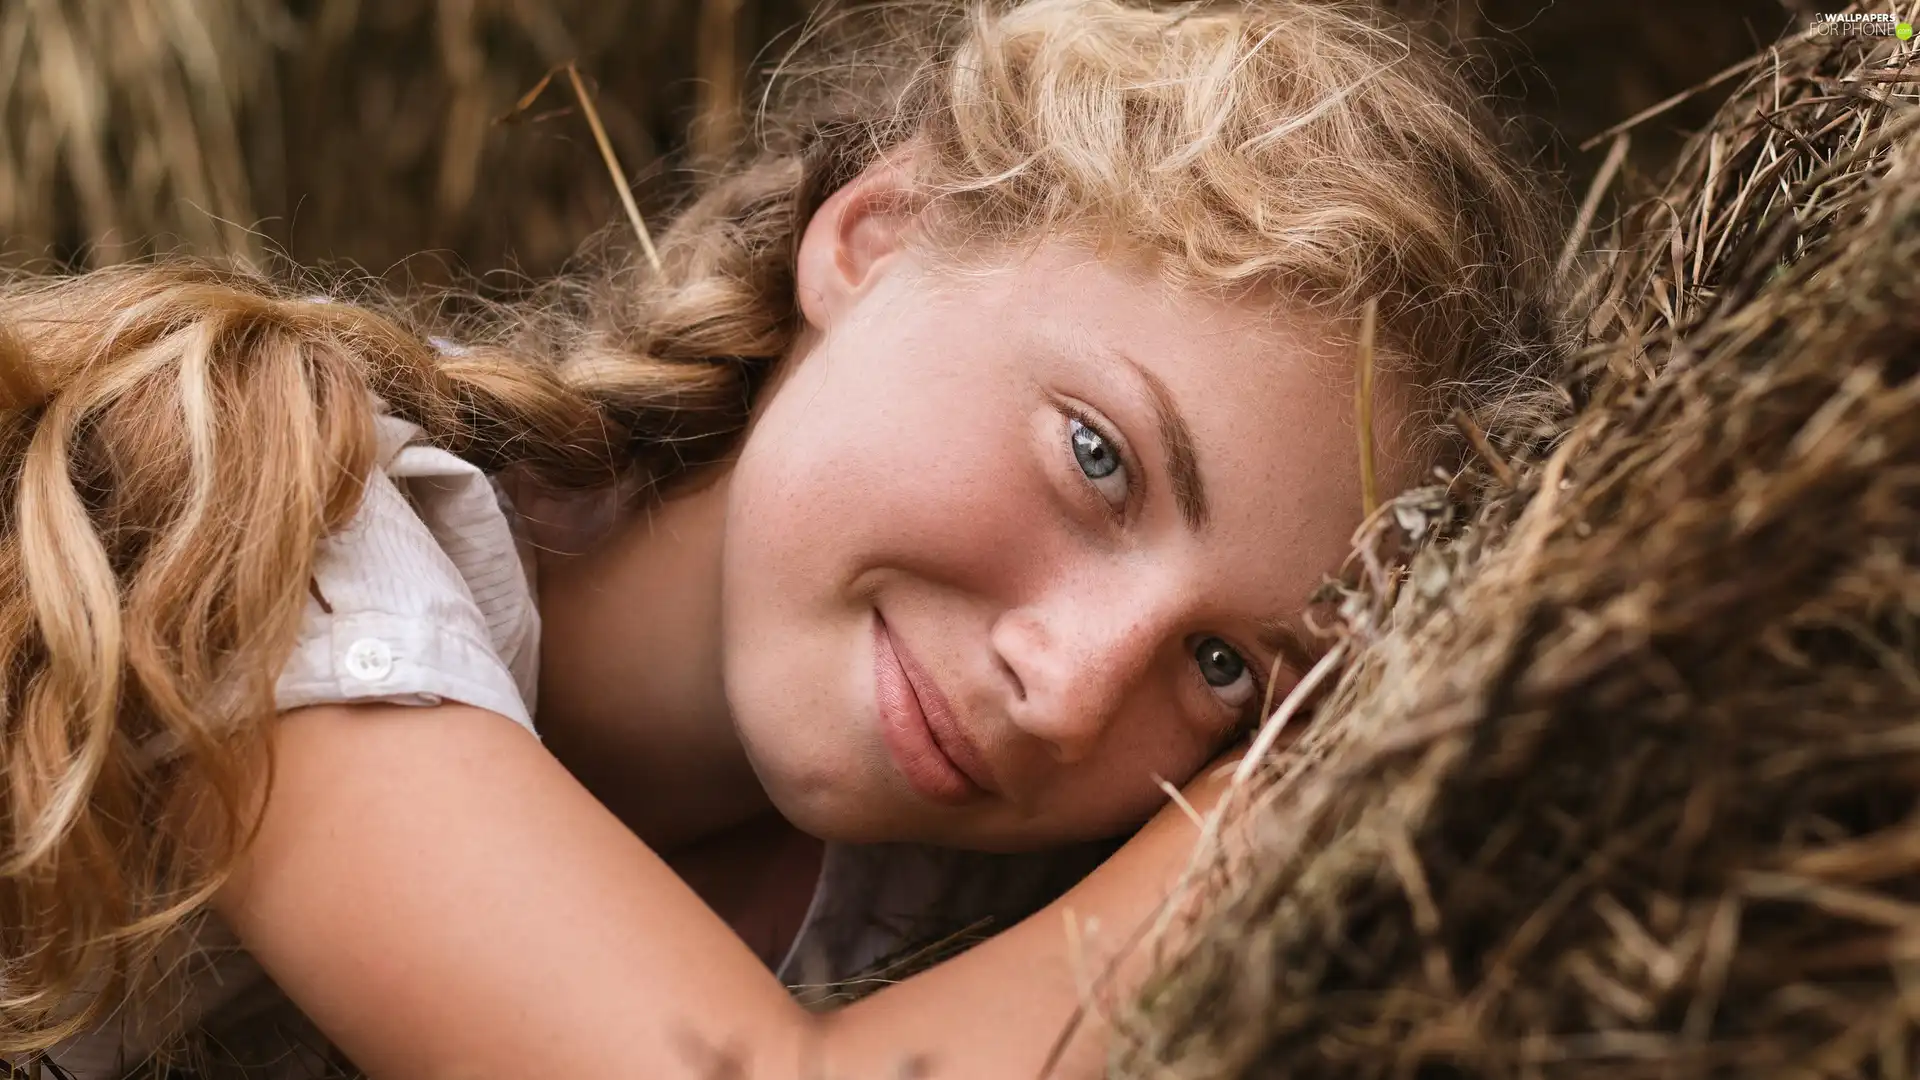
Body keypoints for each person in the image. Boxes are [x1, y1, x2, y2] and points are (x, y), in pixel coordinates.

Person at [0, 0, 1570, 1075]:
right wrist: (1291, 809)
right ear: (874, 240)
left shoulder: (931, 925)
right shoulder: (279, 526)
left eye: (1226, 667)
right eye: (1099, 456)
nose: (1075, 687)